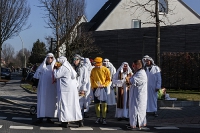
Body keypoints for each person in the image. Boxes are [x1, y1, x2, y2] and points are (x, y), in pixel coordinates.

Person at [54, 56, 83, 128]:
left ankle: (65, 122)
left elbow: (56, 75)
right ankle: (80, 121)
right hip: (71, 90)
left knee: (65, 105)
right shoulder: (69, 66)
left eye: (58, 62)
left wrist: (55, 68)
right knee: (74, 105)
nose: (58, 63)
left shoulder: (63, 67)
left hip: (65, 90)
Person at [32, 53, 57, 125]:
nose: (50, 59)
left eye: (51, 58)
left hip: (51, 89)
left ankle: (49, 117)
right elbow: (37, 76)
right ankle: (40, 117)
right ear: (46, 58)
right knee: (42, 102)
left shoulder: (55, 67)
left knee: (50, 103)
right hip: (42, 88)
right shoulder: (42, 67)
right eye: (48, 58)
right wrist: (34, 85)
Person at [125, 60, 148, 130]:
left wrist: (128, 78)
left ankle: (138, 123)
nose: (133, 67)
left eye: (133, 66)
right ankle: (133, 122)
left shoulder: (141, 73)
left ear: (137, 65)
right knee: (133, 109)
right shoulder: (137, 73)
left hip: (139, 96)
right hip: (134, 94)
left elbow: (132, 81)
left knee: (137, 109)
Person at [90, 57, 111, 125]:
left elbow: (108, 79)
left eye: (95, 63)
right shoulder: (93, 70)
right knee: (96, 102)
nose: (94, 64)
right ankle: (98, 117)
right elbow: (91, 79)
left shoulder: (105, 69)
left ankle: (104, 118)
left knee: (104, 102)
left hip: (103, 88)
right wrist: (93, 87)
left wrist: (104, 85)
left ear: (99, 63)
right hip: (96, 88)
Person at [72, 54, 90, 119]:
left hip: (80, 88)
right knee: (73, 103)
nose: (75, 61)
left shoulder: (83, 68)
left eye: (76, 59)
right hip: (73, 88)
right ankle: (74, 117)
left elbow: (85, 79)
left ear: (79, 60)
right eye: (74, 59)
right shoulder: (72, 68)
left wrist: (83, 89)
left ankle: (80, 118)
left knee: (80, 103)